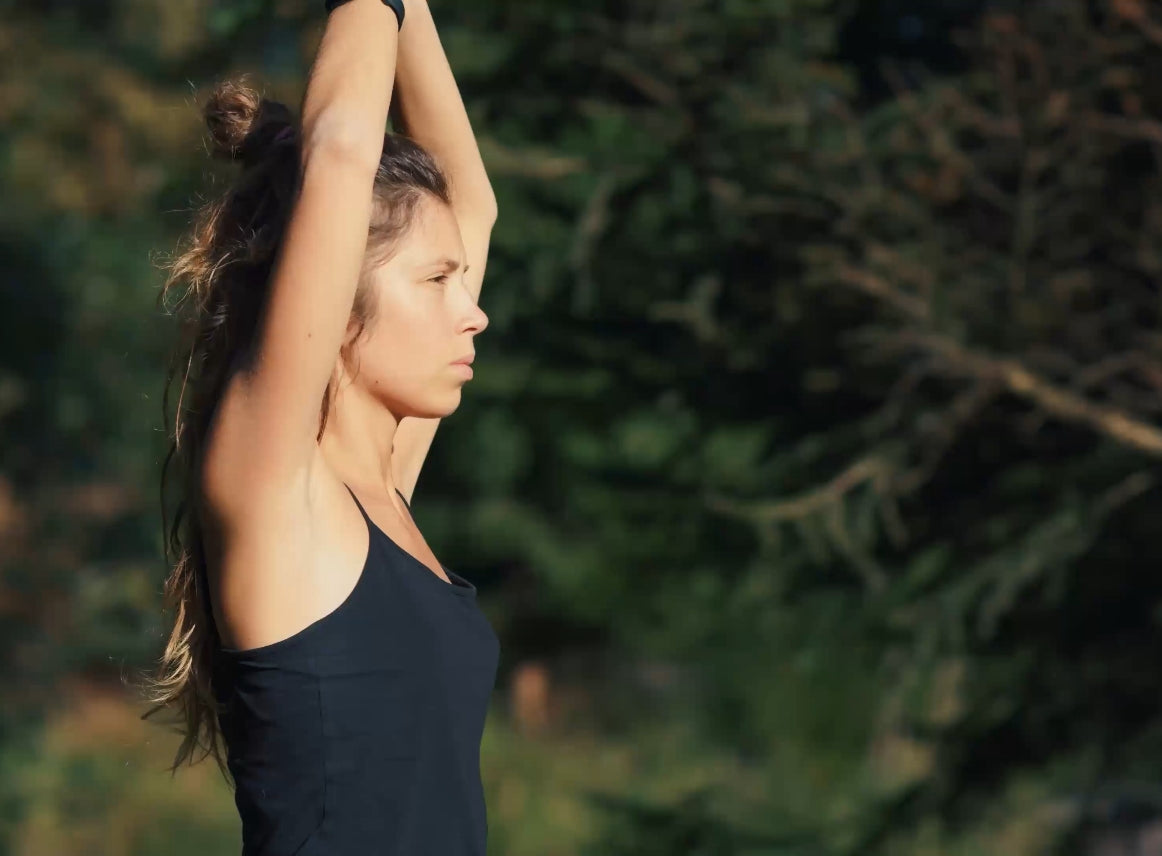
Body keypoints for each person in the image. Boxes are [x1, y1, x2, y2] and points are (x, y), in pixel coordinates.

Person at [137, 0, 500, 853]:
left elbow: (474, 204)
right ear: (337, 305)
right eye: (437, 280)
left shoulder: (383, 490)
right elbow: (341, 151)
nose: (475, 311)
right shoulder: (275, 490)